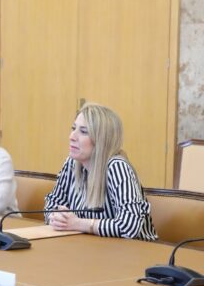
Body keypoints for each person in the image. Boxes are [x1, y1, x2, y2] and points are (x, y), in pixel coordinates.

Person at [44, 103, 157, 240]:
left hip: (134, 249)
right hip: (89, 245)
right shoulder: (72, 163)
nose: (72, 136)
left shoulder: (117, 167)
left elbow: (129, 226)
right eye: (73, 128)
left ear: (101, 140)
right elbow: (52, 204)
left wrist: (78, 223)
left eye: (83, 132)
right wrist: (56, 217)